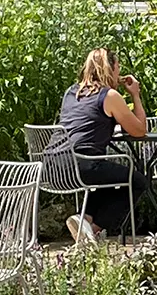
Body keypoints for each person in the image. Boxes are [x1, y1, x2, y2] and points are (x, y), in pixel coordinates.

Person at [58, 48, 148, 242]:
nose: (119, 74)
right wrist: (135, 95)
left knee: (107, 176)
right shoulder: (110, 96)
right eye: (117, 69)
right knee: (138, 181)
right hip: (81, 164)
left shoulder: (71, 92)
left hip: (53, 165)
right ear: (110, 70)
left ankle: (84, 220)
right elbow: (140, 131)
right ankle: (93, 230)